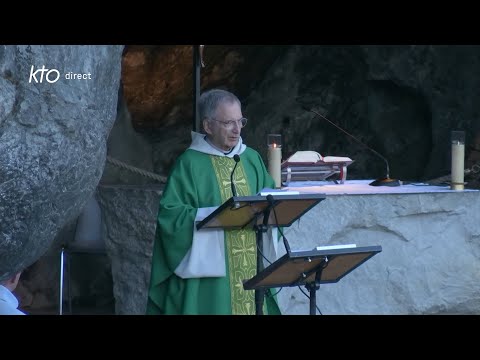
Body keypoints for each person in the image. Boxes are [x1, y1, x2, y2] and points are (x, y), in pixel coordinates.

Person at [146, 89, 281, 315]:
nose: (237, 130)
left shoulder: (250, 158)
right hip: (212, 277)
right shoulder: (189, 163)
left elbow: (271, 202)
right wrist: (213, 216)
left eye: (240, 121)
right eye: (229, 123)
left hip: (251, 261)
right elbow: (171, 216)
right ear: (208, 126)